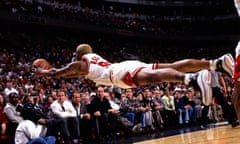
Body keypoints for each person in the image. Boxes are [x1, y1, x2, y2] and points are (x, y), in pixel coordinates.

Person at [33, 44, 234, 106]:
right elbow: (66, 75)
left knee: (153, 78)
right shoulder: (90, 62)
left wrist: (42, 71)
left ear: (78, 54)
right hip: (123, 67)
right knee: (171, 66)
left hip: (118, 73)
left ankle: (191, 79)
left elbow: (58, 73)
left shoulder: (79, 63)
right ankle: (215, 63)